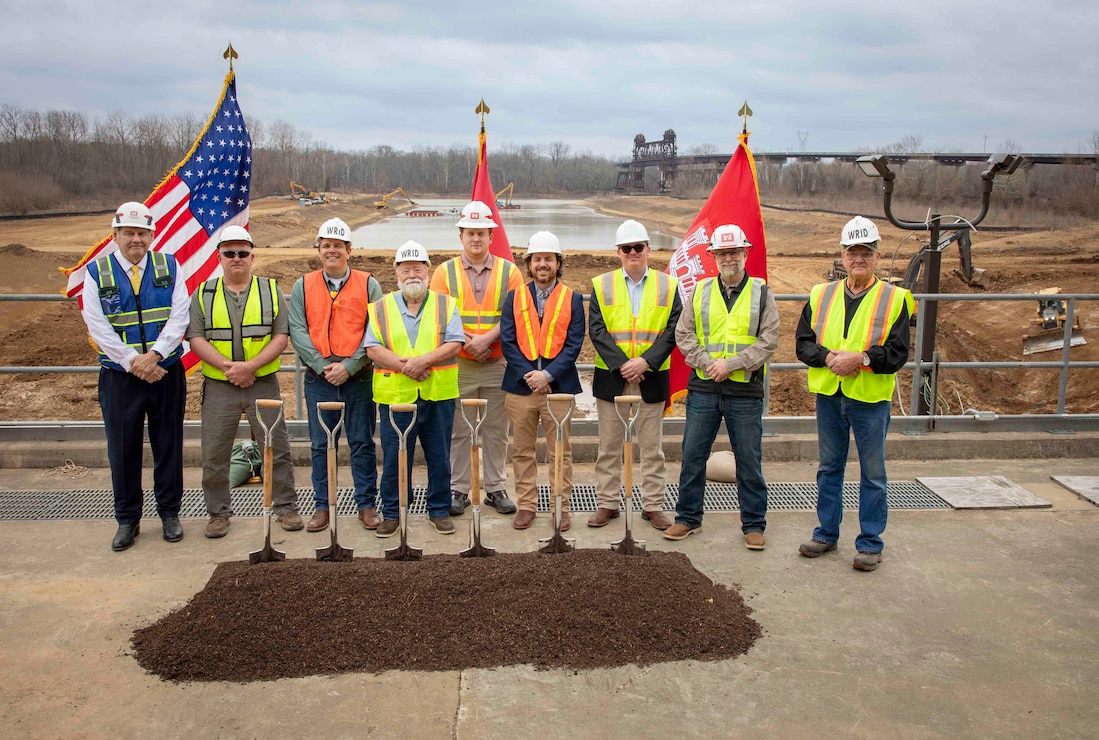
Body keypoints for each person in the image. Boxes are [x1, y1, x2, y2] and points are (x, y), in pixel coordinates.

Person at [796, 216, 914, 572]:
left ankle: (870, 543)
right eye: (852, 252)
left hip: (869, 400)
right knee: (829, 468)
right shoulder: (821, 295)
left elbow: (897, 353)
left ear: (877, 257)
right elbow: (803, 345)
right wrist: (829, 357)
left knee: (873, 473)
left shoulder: (895, 299)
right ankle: (826, 533)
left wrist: (860, 359)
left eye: (866, 252)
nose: (858, 258)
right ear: (842, 256)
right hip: (830, 396)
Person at [81, 201, 189, 551]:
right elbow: (97, 325)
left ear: (152, 235)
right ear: (115, 235)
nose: (136, 240)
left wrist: (156, 355)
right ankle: (128, 520)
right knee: (123, 449)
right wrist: (132, 361)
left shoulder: (169, 267)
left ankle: (169, 513)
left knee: (168, 445)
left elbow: (180, 315)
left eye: (142, 233)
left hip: (165, 372)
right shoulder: (98, 273)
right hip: (121, 377)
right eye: (128, 233)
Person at [665, 224, 779, 546]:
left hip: (745, 391)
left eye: (734, 252)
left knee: (748, 459)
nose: (729, 258)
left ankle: (754, 524)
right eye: (722, 253)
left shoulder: (762, 292)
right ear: (713, 256)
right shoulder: (700, 291)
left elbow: (769, 340)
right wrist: (708, 363)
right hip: (704, 388)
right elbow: (683, 335)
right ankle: (688, 518)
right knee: (692, 455)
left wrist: (730, 365)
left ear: (745, 253)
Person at [185, 225, 301, 538]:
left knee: (276, 448)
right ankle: (218, 514)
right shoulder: (203, 293)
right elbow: (195, 337)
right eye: (229, 253)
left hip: (262, 382)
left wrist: (250, 367)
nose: (236, 258)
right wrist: (228, 368)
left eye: (242, 253)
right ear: (219, 257)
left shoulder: (270, 290)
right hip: (219, 386)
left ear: (252, 256)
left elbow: (281, 336)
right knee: (214, 454)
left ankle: (286, 507)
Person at [288, 218, 384, 533]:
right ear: (319, 249)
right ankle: (322, 506)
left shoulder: (368, 284)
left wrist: (350, 365)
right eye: (326, 245)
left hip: (358, 378)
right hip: (320, 379)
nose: (332, 250)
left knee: (361, 443)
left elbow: (375, 329)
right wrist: (320, 364)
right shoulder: (303, 285)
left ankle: (366, 505)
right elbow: (298, 330)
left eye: (338, 245)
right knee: (320, 445)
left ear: (349, 250)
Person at [430, 201, 523, 518]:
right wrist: (471, 343)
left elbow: (514, 316)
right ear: (461, 236)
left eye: (482, 233)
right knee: (459, 429)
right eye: (470, 233)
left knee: (497, 429)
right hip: (459, 363)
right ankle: (459, 488)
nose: (476, 239)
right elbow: (440, 316)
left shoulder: (510, 272)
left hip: (498, 363)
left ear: (491, 236)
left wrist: (487, 340)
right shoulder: (444, 273)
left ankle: (495, 488)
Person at [365, 241, 464, 536]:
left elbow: (455, 343)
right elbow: (372, 348)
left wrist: (422, 361)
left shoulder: (446, 304)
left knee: (439, 456)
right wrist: (404, 365)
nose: (412, 275)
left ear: (427, 271)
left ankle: (439, 510)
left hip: (438, 395)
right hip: (396, 398)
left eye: (417, 269)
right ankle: (393, 512)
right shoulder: (381, 306)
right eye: (405, 269)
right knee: (395, 458)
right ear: (397, 272)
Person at [588, 220, 681, 531]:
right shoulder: (602, 284)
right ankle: (607, 503)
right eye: (626, 248)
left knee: (652, 448)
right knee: (609, 447)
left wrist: (645, 362)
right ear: (618, 252)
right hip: (613, 377)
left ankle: (653, 505)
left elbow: (673, 331)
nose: (632, 253)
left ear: (648, 250)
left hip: (651, 377)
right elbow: (597, 331)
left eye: (637, 247)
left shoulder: (669, 285)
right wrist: (623, 364)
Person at [498, 231, 585, 530]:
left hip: (558, 387)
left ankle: (560, 507)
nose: (543, 264)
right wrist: (531, 376)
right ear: (529, 264)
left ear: (558, 263)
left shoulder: (572, 298)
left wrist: (547, 375)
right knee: (522, 450)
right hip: (520, 386)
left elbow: (574, 345)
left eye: (549, 259)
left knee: (560, 451)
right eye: (537, 259)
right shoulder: (515, 297)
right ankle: (526, 506)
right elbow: (508, 342)